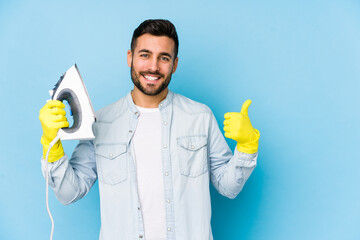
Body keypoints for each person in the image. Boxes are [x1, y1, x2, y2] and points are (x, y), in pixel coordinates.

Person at [39, 19, 260, 240]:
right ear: (130, 57)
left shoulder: (200, 116)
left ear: (174, 64)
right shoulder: (102, 122)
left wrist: (247, 145)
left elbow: (228, 187)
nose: (153, 67)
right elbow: (68, 193)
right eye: (145, 55)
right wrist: (51, 142)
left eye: (164, 58)